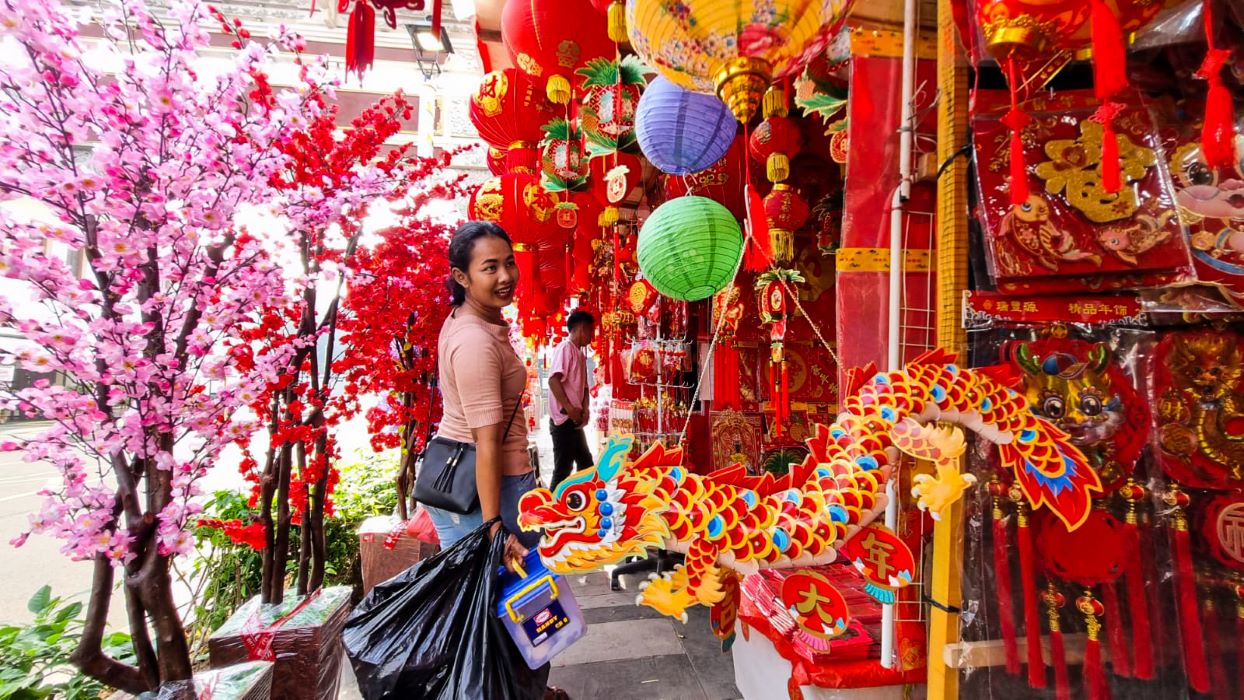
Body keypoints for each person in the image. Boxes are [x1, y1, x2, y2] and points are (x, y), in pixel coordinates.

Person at [425, 221, 539, 563]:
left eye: (509, 263)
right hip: (489, 490)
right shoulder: (475, 340)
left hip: (467, 482)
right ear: (462, 277)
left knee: (485, 606)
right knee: (525, 608)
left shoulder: (466, 320)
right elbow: (486, 441)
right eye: (490, 268)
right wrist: (494, 528)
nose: (505, 276)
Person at [547, 311, 595, 491]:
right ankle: (552, 510)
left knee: (586, 464)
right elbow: (553, 380)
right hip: (564, 419)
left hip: (574, 419)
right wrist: (569, 407)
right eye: (590, 330)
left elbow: (584, 387)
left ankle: (581, 501)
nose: (592, 335)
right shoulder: (565, 348)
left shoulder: (581, 355)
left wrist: (586, 408)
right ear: (582, 328)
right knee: (563, 469)